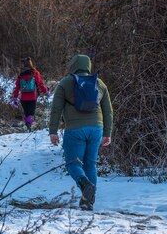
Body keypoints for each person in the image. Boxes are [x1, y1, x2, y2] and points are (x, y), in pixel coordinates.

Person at [48, 54, 113, 211]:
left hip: (75, 129)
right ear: (88, 66)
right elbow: (108, 111)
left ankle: (85, 186)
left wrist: (53, 131)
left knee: (72, 163)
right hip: (96, 129)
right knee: (90, 164)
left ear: (73, 66)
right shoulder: (99, 83)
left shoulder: (65, 83)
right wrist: (107, 132)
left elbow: (56, 108)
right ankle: (88, 202)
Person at [11, 57, 50, 131]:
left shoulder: (21, 75)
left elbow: (17, 87)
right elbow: (40, 84)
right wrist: (46, 92)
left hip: (23, 98)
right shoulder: (35, 73)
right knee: (30, 114)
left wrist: (15, 98)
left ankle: (28, 127)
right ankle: (29, 127)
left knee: (27, 113)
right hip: (32, 97)